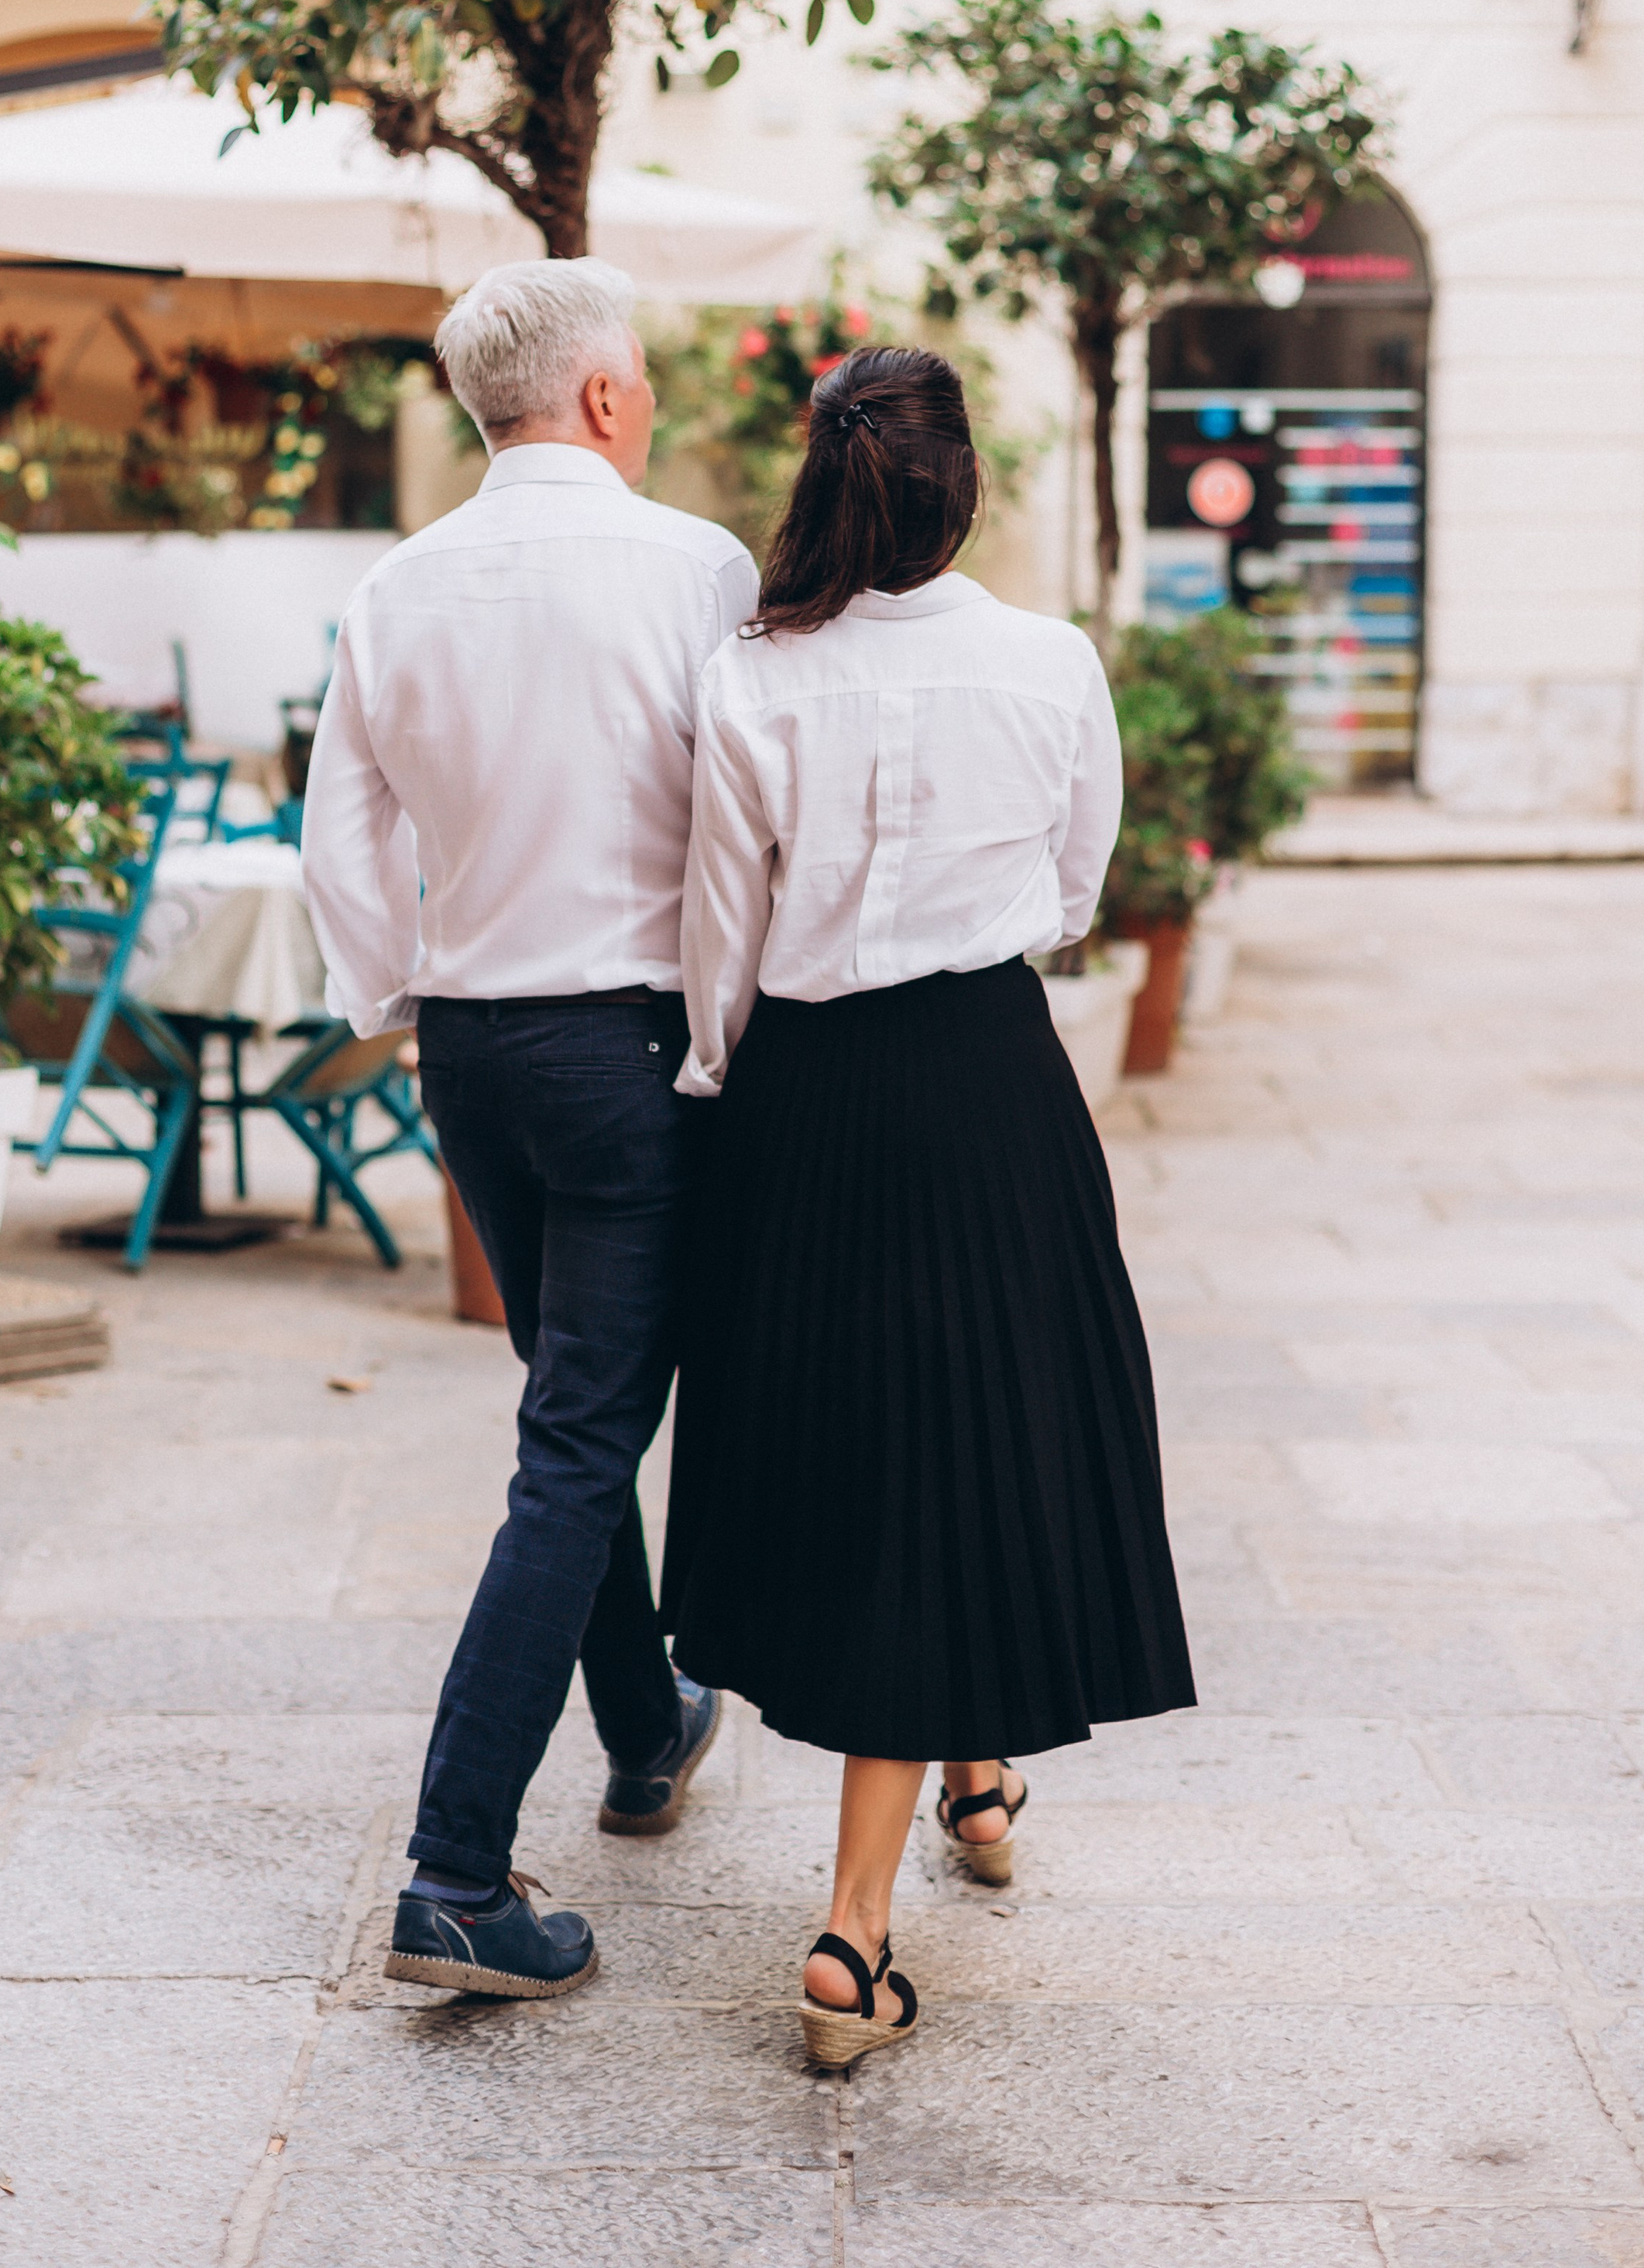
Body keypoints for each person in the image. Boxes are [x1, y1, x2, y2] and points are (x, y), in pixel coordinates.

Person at [661, 344, 1196, 2069]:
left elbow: (720, 941)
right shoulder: (1051, 662)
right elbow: (1073, 891)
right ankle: (851, 1931)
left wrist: (721, 1085)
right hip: (985, 1084)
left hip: (807, 1099)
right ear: (959, 488)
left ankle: (975, 1776)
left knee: (868, 1455)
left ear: (823, 481)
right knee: (960, 1441)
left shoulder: (750, 675)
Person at [300, 257, 757, 2001]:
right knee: (577, 1441)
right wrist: (732, 1027)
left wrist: (396, 993)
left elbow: (341, 835)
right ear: (601, 396)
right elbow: (744, 821)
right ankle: (454, 1872)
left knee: (575, 1403)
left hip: (474, 1046)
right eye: (641, 378)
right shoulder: (695, 567)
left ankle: (644, 1727)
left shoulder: (396, 582)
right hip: (629, 1044)